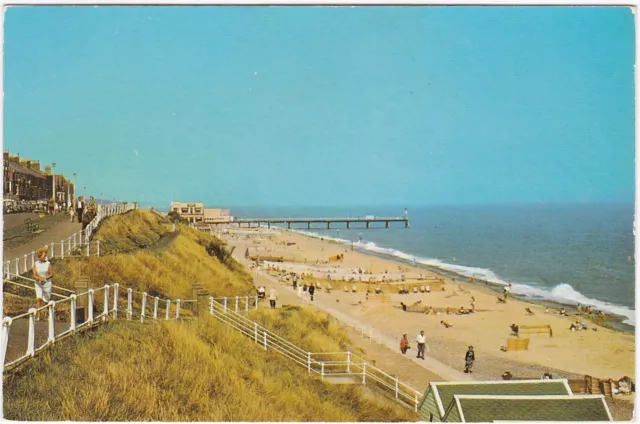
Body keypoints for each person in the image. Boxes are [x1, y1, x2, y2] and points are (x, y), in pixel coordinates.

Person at [32, 247, 54, 320]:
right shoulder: (36, 264)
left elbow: (52, 274)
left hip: (47, 284)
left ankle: (49, 314)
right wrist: (37, 278)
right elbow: (34, 274)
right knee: (39, 299)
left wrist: (45, 278)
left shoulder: (48, 264)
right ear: (40, 256)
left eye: (46, 255)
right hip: (38, 284)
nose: (45, 257)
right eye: (44, 255)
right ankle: (38, 316)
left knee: (46, 301)